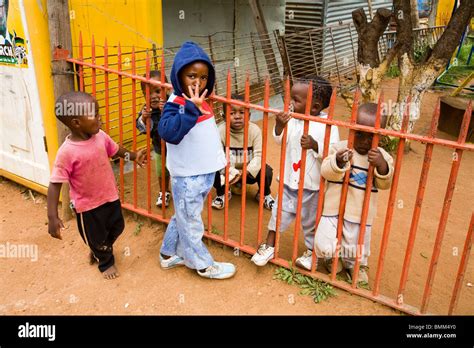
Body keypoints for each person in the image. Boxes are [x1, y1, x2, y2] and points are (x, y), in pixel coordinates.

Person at [47, 91, 147, 280]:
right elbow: (54, 184)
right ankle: (105, 261)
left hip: (110, 196)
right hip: (88, 207)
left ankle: (99, 248)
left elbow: (116, 151)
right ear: (76, 123)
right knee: (95, 236)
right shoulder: (66, 152)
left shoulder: (100, 136)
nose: (100, 118)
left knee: (118, 226)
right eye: (94, 114)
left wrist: (133, 156)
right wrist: (52, 216)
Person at [158, 41, 236, 279]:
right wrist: (191, 109)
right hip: (188, 177)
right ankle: (202, 264)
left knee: (183, 215)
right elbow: (168, 131)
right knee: (191, 222)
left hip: (202, 175)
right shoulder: (178, 105)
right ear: (178, 76)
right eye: (192, 76)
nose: (198, 82)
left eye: (203, 78)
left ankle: (168, 254)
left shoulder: (203, 101)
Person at [251, 76, 340, 270]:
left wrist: (315, 145)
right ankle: (270, 245)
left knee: (310, 221)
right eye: (291, 97)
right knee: (278, 215)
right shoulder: (292, 118)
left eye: (296, 100)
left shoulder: (329, 126)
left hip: (312, 186)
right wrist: (280, 125)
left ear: (315, 107)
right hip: (288, 182)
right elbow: (278, 140)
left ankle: (311, 252)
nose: (290, 103)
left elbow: (331, 154)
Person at [314, 102, 394, 285]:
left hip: (360, 213)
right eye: (359, 133)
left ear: (380, 136)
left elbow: (385, 183)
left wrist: (381, 165)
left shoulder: (382, 156)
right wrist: (338, 162)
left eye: (371, 136)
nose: (364, 141)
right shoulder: (340, 147)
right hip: (333, 209)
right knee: (325, 241)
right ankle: (332, 258)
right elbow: (326, 171)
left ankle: (355, 266)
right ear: (352, 127)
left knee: (356, 246)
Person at [212, 94, 275, 211]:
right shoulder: (220, 131)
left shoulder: (254, 130)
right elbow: (219, 157)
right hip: (229, 171)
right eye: (232, 113)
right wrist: (233, 172)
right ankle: (223, 194)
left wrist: (245, 172)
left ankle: (264, 195)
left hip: (249, 172)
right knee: (215, 170)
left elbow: (259, 156)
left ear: (249, 116)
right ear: (225, 117)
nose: (237, 116)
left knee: (266, 171)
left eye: (242, 112)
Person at [136, 70, 171, 207]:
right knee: (162, 171)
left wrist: (166, 111)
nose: (154, 97)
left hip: (177, 149)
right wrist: (144, 119)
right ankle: (164, 192)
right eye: (148, 94)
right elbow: (142, 129)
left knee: (180, 171)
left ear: (166, 89)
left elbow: (179, 121)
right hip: (159, 148)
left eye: (157, 91)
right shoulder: (146, 110)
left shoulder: (172, 104)